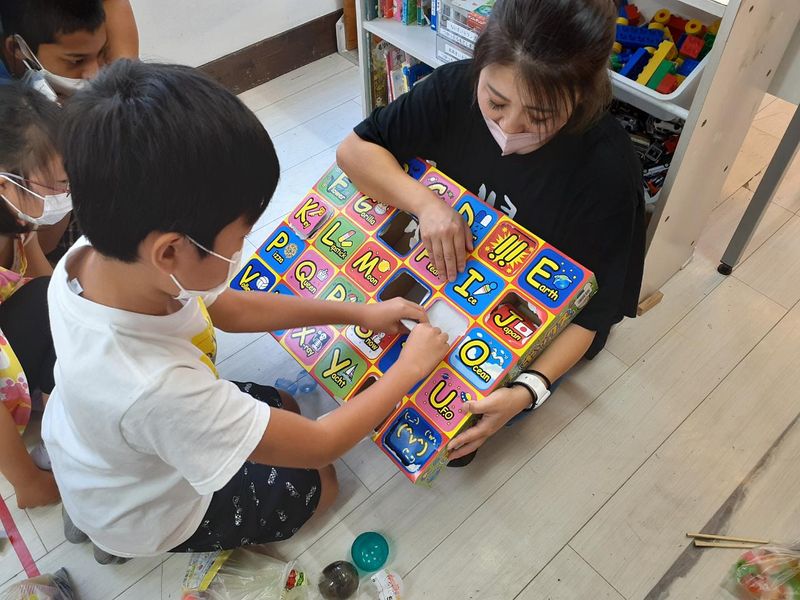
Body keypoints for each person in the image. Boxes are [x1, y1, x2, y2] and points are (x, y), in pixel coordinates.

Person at [43, 60, 450, 563]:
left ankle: (94, 514)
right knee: (321, 484)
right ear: (169, 252)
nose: (242, 248)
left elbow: (229, 309)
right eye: (238, 237)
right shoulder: (152, 386)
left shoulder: (96, 256)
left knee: (285, 403)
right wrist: (410, 368)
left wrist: (359, 313)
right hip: (149, 508)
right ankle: (111, 538)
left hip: (97, 446)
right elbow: (320, 444)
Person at [337, 0, 646, 462]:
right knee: (352, 342)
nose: (509, 127)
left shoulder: (606, 171)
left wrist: (528, 391)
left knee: (452, 437)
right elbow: (355, 151)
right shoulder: (454, 87)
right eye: (496, 102)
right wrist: (426, 204)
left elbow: (592, 316)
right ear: (479, 63)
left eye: (540, 116)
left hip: (534, 310)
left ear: (581, 97)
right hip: (449, 270)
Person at [0, 82, 65, 509]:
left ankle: (54, 407)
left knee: (62, 297)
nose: (63, 196)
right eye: (54, 186)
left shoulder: (18, 220)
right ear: (5, 186)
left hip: (13, 335)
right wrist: (27, 482)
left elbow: (47, 283)